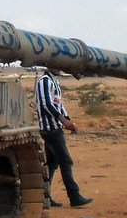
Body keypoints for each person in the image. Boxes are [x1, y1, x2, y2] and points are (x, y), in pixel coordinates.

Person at [34, 69, 93, 208]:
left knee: (52, 164)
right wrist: (64, 121)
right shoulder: (44, 81)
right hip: (51, 129)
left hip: (55, 127)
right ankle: (74, 196)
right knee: (66, 162)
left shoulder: (54, 81)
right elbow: (46, 105)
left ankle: (44, 196)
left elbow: (58, 105)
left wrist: (68, 121)